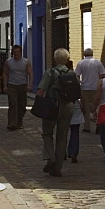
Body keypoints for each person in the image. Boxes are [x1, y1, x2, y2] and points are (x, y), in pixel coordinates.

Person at [36, 47, 77, 177]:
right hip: (68, 106)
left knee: (47, 133)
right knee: (62, 136)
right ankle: (58, 168)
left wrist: (38, 105)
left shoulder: (50, 72)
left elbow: (41, 90)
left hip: (52, 105)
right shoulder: (72, 73)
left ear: (55, 59)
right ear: (67, 59)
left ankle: (50, 157)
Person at [75, 48, 105, 132]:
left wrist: (81, 83)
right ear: (92, 54)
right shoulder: (98, 63)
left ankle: (87, 127)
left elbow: (77, 75)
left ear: (84, 54)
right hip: (96, 88)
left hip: (85, 88)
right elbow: (103, 74)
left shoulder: (81, 63)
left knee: (86, 108)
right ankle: (98, 125)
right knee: (96, 107)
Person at [3, 44, 33, 130]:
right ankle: (12, 123)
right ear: (12, 52)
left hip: (22, 85)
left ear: (20, 52)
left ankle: (19, 122)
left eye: (18, 52)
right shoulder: (8, 62)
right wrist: (5, 85)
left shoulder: (26, 62)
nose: (16, 54)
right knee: (13, 103)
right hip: (12, 85)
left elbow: (30, 73)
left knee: (22, 105)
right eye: (14, 52)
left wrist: (30, 84)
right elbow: (5, 73)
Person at [66, 98, 83, 163]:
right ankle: (73, 152)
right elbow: (81, 95)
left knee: (62, 132)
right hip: (75, 106)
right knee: (75, 131)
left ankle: (61, 152)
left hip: (63, 106)